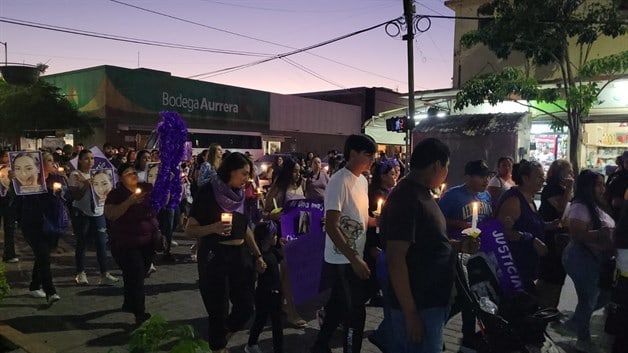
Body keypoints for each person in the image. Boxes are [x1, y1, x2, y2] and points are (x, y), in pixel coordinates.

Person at [382, 138, 479, 353]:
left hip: (431, 302)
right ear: (437, 165)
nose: (446, 172)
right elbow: (396, 258)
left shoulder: (424, 194)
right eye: (447, 166)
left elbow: (429, 244)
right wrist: (411, 314)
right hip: (419, 305)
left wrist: (458, 246)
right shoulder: (406, 198)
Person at [185, 152, 266, 353]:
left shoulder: (240, 193)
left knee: (247, 306)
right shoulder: (208, 192)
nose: (247, 179)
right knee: (218, 310)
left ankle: (219, 339)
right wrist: (213, 228)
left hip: (240, 255)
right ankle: (218, 346)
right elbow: (189, 229)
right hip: (215, 256)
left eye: (249, 174)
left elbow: (245, 227)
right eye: (243, 174)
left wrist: (257, 254)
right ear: (230, 171)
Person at [310, 134, 377, 353]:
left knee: (339, 308)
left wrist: (380, 220)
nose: (372, 159)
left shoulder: (363, 181)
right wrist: (355, 259)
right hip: (341, 259)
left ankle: (319, 346)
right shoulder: (339, 181)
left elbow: (362, 218)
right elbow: (331, 225)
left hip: (354, 254)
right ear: (353, 153)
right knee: (355, 312)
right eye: (368, 154)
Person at [560, 170, 615, 353]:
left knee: (602, 296)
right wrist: (600, 234)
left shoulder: (597, 206)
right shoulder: (580, 207)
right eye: (598, 184)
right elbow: (576, 234)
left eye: (602, 184)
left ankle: (575, 322)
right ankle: (582, 337)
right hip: (582, 257)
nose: (602, 188)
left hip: (596, 258)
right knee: (588, 298)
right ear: (588, 187)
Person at [104, 163, 158, 325]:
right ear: (121, 178)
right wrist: (129, 202)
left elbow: (161, 202)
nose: (133, 175)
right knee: (136, 275)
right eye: (128, 173)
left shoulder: (146, 188)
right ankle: (139, 312)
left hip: (148, 242)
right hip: (126, 243)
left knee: (137, 274)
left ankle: (128, 303)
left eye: (134, 172)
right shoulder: (116, 194)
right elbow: (111, 214)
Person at [15, 151, 67, 304]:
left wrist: (59, 191)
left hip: (50, 223)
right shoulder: (29, 180)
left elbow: (62, 199)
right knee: (43, 255)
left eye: (53, 161)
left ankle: (34, 285)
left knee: (42, 256)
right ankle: (50, 292)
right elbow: (18, 197)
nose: (52, 163)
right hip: (31, 223)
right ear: (40, 164)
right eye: (49, 161)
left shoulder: (56, 178)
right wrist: (15, 182)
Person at [495, 160, 555, 292]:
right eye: (538, 176)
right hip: (514, 268)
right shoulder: (514, 200)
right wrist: (531, 240)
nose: (542, 180)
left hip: (529, 266)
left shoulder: (529, 199)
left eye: (542, 176)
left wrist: (551, 225)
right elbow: (502, 232)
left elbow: (530, 224)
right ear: (525, 178)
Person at [262, 157, 307, 329]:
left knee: (290, 274)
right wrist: (272, 215)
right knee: (287, 273)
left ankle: (277, 305)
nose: (297, 174)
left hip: (299, 233)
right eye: (294, 171)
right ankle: (291, 311)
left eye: (299, 170)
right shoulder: (279, 189)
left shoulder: (300, 185)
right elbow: (264, 212)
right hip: (282, 234)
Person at [68, 149, 119, 285]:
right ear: (79, 160)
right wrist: (85, 185)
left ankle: (104, 273)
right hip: (82, 212)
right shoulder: (75, 174)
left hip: (98, 211)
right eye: (86, 158)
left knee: (102, 243)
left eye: (92, 158)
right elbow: (75, 196)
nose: (90, 161)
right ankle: (80, 273)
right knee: (82, 243)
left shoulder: (99, 175)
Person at [365, 158, 399, 350]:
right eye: (392, 174)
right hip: (375, 246)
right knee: (370, 285)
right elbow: (369, 224)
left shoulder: (391, 193)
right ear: (383, 176)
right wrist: (372, 245)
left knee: (375, 286)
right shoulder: (375, 194)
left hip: (385, 244)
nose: (396, 177)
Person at [536, 160, 574, 309]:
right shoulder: (551, 189)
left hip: (560, 233)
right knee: (550, 274)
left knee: (558, 274)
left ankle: (551, 307)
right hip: (551, 235)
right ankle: (542, 306)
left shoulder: (561, 188)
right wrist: (569, 189)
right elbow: (560, 208)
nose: (570, 174)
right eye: (568, 171)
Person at [245, 221, 285, 353]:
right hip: (265, 292)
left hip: (276, 291)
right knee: (261, 320)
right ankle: (252, 344)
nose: (276, 237)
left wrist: (284, 248)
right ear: (266, 238)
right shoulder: (260, 256)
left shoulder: (273, 251)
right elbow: (258, 271)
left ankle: (275, 348)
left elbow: (281, 258)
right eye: (274, 235)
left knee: (276, 322)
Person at [0, 151, 18, 263]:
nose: (6, 158)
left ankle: (9, 253)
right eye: (4, 156)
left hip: (9, 201)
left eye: (8, 156)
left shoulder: (13, 170)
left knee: (10, 228)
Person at [606, 150, 628, 221]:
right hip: (619, 218)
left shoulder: (616, 176)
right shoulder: (619, 178)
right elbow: (616, 202)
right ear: (623, 162)